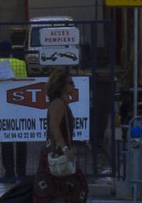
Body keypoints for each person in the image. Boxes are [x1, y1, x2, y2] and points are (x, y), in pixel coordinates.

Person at [40, 67, 87, 203]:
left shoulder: (60, 103)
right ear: (62, 86)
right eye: (70, 83)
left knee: (56, 191)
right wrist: (65, 149)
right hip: (58, 153)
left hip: (57, 153)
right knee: (79, 186)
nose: (73, 85)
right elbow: (54, 127)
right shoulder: (59, 104)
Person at [0, 36, 28, 182]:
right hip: (20, 106)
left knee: (6, 140)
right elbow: (24, 85)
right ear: (11, 51)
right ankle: (22, 172)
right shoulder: (21, 64)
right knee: (21, 140)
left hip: (4, 107)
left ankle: (9, 173)